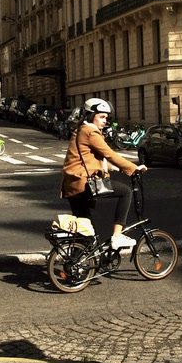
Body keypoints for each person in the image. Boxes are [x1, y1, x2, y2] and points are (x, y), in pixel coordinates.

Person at [61, 97, 147, 249]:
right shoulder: (90, 131)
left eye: (106, 117)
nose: (104, 120)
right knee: (126, 192)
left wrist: (119, 168)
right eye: (101, 116)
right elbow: (109, 154)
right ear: (90, 115)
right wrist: (133, 168)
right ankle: (117, 236)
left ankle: (77, 264)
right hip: (83, 183)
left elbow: (93, 159)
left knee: (86, 231)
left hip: (72, 185)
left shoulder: (81, 129)